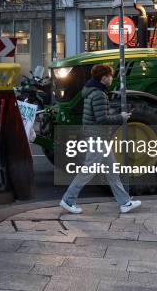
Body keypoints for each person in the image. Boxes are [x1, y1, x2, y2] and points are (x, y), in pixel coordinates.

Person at [60, 64, 142, 214]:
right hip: (96, 137)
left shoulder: (92, 91)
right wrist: (121, 117)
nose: (112, 78)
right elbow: (101, 119)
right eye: (110, 76)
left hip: (96, 137)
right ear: (104, 78)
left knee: (112, 171)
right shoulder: (99, 94)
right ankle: (68, 199)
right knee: (88, 171)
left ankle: (125, 203)